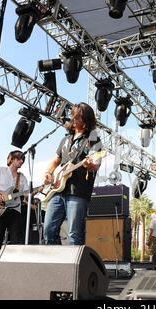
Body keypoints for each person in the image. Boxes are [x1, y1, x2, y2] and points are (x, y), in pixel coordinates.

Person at [42, 102, 102, 245]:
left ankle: (75, 266)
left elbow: (96, 165)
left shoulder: (93, 140)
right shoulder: (65, 139)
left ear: (86, 120)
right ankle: (57, 264)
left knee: (74, 234)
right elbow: (56, 161)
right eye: (73, 116)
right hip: (57, 190)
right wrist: (48, 172)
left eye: (78, 117)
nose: (74, 119)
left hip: (78, 191)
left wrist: (89, 165)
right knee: (49, 230)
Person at [0, 150, 28, 253]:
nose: (21, 161)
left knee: (16, 241)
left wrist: (33, 193)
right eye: (19, 159)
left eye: (23, 160)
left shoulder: (22, 177)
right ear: (11, 159)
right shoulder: (1, 171)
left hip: (15, 210)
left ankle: (12, 265)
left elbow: (26, 194)